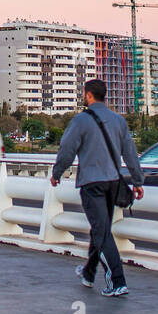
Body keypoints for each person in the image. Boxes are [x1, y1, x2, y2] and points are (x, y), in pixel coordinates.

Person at [50, 79, 145, 297]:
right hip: (113, 182)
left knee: (101, 231)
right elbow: (130, 153)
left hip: (91, 183)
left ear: (89, 95)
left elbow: (67, 150)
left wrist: (57, 174)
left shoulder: (81, 121)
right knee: (100, 228)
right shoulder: (119, 121)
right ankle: (89, 272)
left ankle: (118, 282)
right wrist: (138, 181)